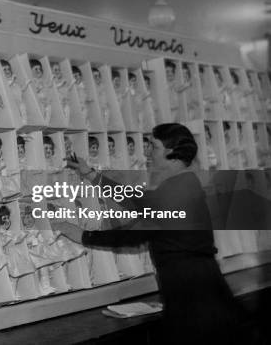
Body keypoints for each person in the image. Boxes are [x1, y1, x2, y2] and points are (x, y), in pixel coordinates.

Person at [59, 123, 243, 345]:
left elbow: (135, 234)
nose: (147, 152)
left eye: (153, 146)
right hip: (201, 290)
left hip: (193, 297)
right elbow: (138, 201)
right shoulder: (183, 185)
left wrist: (83, 236)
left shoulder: (177, 191)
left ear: (171, 152)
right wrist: (90, 175)